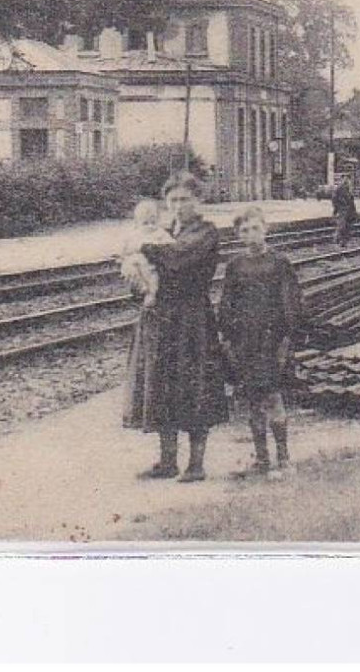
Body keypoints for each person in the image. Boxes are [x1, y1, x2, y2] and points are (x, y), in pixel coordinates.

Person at [121, 172, 228, 483]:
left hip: (191, 318)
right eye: (173, 200)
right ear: (166, 202)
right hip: (160, 319)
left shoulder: (206, 233)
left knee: (194, 386)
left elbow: (178, 258)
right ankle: (167, 461)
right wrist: (137, 284)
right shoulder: (164, 231)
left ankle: (196, 464)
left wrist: (140, 248)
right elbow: (144, 272)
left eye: (185, 199)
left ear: (198, 201)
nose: (179, 205)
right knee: (162, 387)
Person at [217, 205, 306, 480]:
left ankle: (284, 457)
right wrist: (228, 336)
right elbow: (226, 304)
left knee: (273, 396)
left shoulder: (280, 263)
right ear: (238, 235)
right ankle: (262, 459)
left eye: (255, 228)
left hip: (272, 340)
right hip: (246, 341)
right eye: (244, 230)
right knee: (253, 400)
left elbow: (291, 302)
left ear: (265, 229)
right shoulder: (235, 266)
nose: (251, 234)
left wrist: (287, 337)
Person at [119, 198, 172, 308]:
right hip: (135, 263)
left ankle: (151, 294)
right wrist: (124, 255)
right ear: (137, 223)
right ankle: (141, 288)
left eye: (153, 222)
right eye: (145, 223)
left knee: (153, 275)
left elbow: (170, 244)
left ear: (158, 220)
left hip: (149, 264)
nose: (150, 226)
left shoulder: (160, 233)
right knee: (129, 268)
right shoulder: (134, 234)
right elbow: (124, 248)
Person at [332, 174, 358, 248]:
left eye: (348, 179)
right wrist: (336, 208)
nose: (347, 181)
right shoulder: (339, 188)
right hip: (342, 209)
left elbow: (351, 201)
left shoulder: (348, 189)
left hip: (348, 210)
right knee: (342, 226)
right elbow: (334, 199)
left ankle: (340, 240)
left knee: (346, 226)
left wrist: (354, 211)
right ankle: (340, 240)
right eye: (345, 179)